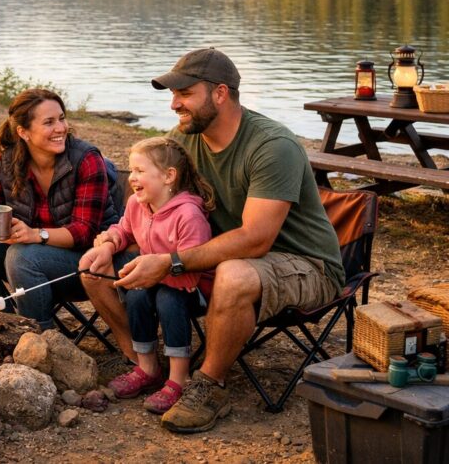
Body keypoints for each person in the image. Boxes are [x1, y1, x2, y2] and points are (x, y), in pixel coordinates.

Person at [83, 47, 344, 433]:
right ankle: (147, 365)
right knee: (93, 268)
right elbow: (149, 203)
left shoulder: (272, 146)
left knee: (235, 274)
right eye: (173, 95)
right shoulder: (183, 143)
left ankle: (209, 386)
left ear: (220, 94)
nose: (174, 104)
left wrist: (170, 261)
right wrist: (109, 243)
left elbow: (256, 240)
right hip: (218, 259)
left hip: (304, 266)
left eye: (185, 94)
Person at [0, 88, 121, 331]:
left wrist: (36, 234)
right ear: (23, 132)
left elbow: (85, 232)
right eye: (49, 122)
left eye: (62, 118)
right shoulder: (7, 163)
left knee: (21, 255)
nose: (61, 128)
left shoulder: (86, 159)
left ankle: (39, 339)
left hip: (88, 265)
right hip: (27, 264)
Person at [80, 137, 214, 414]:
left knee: (167, 297)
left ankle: (179, 378)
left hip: (194, 289)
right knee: (138, 295)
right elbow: (123, 230)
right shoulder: (136, 205)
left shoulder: (188, 214)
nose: (133, 178)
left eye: (140, 171)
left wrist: (151, 275)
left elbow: (192, 271)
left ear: (168, 176)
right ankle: (148, 368)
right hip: (156, 280)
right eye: (132, 170)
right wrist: (108, 244)